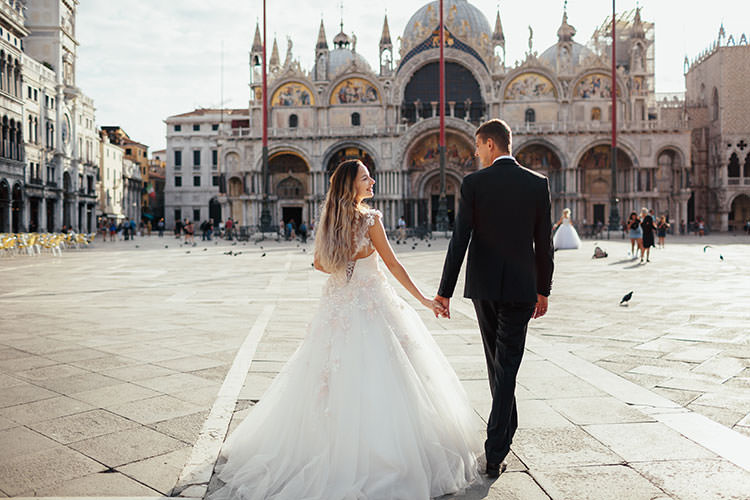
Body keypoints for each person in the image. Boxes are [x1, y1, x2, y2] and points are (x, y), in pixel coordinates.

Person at [212, 159, 481, 500]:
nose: (372, 182)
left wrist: (347, 266)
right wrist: (426, 300)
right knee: (389, 380)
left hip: (336, 310)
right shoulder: (370, 220)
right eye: (366, 178)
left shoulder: (328, 220)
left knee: (328, 381)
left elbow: (319, 264)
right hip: (374, 309)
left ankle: (327, 450)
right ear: (352, 185)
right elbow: (394, 264)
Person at [435, 119, 554, 479]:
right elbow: (543, 244)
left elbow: (460, 240)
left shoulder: (473, 183)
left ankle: (495, 448)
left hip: (484, 288)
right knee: (506, 367)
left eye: (477, 145)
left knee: (498, 366)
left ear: (490, 144)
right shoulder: (537, 184)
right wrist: (543, 289)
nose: (474, 152)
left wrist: (445, 290)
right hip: (521, 288)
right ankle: (502, 437)